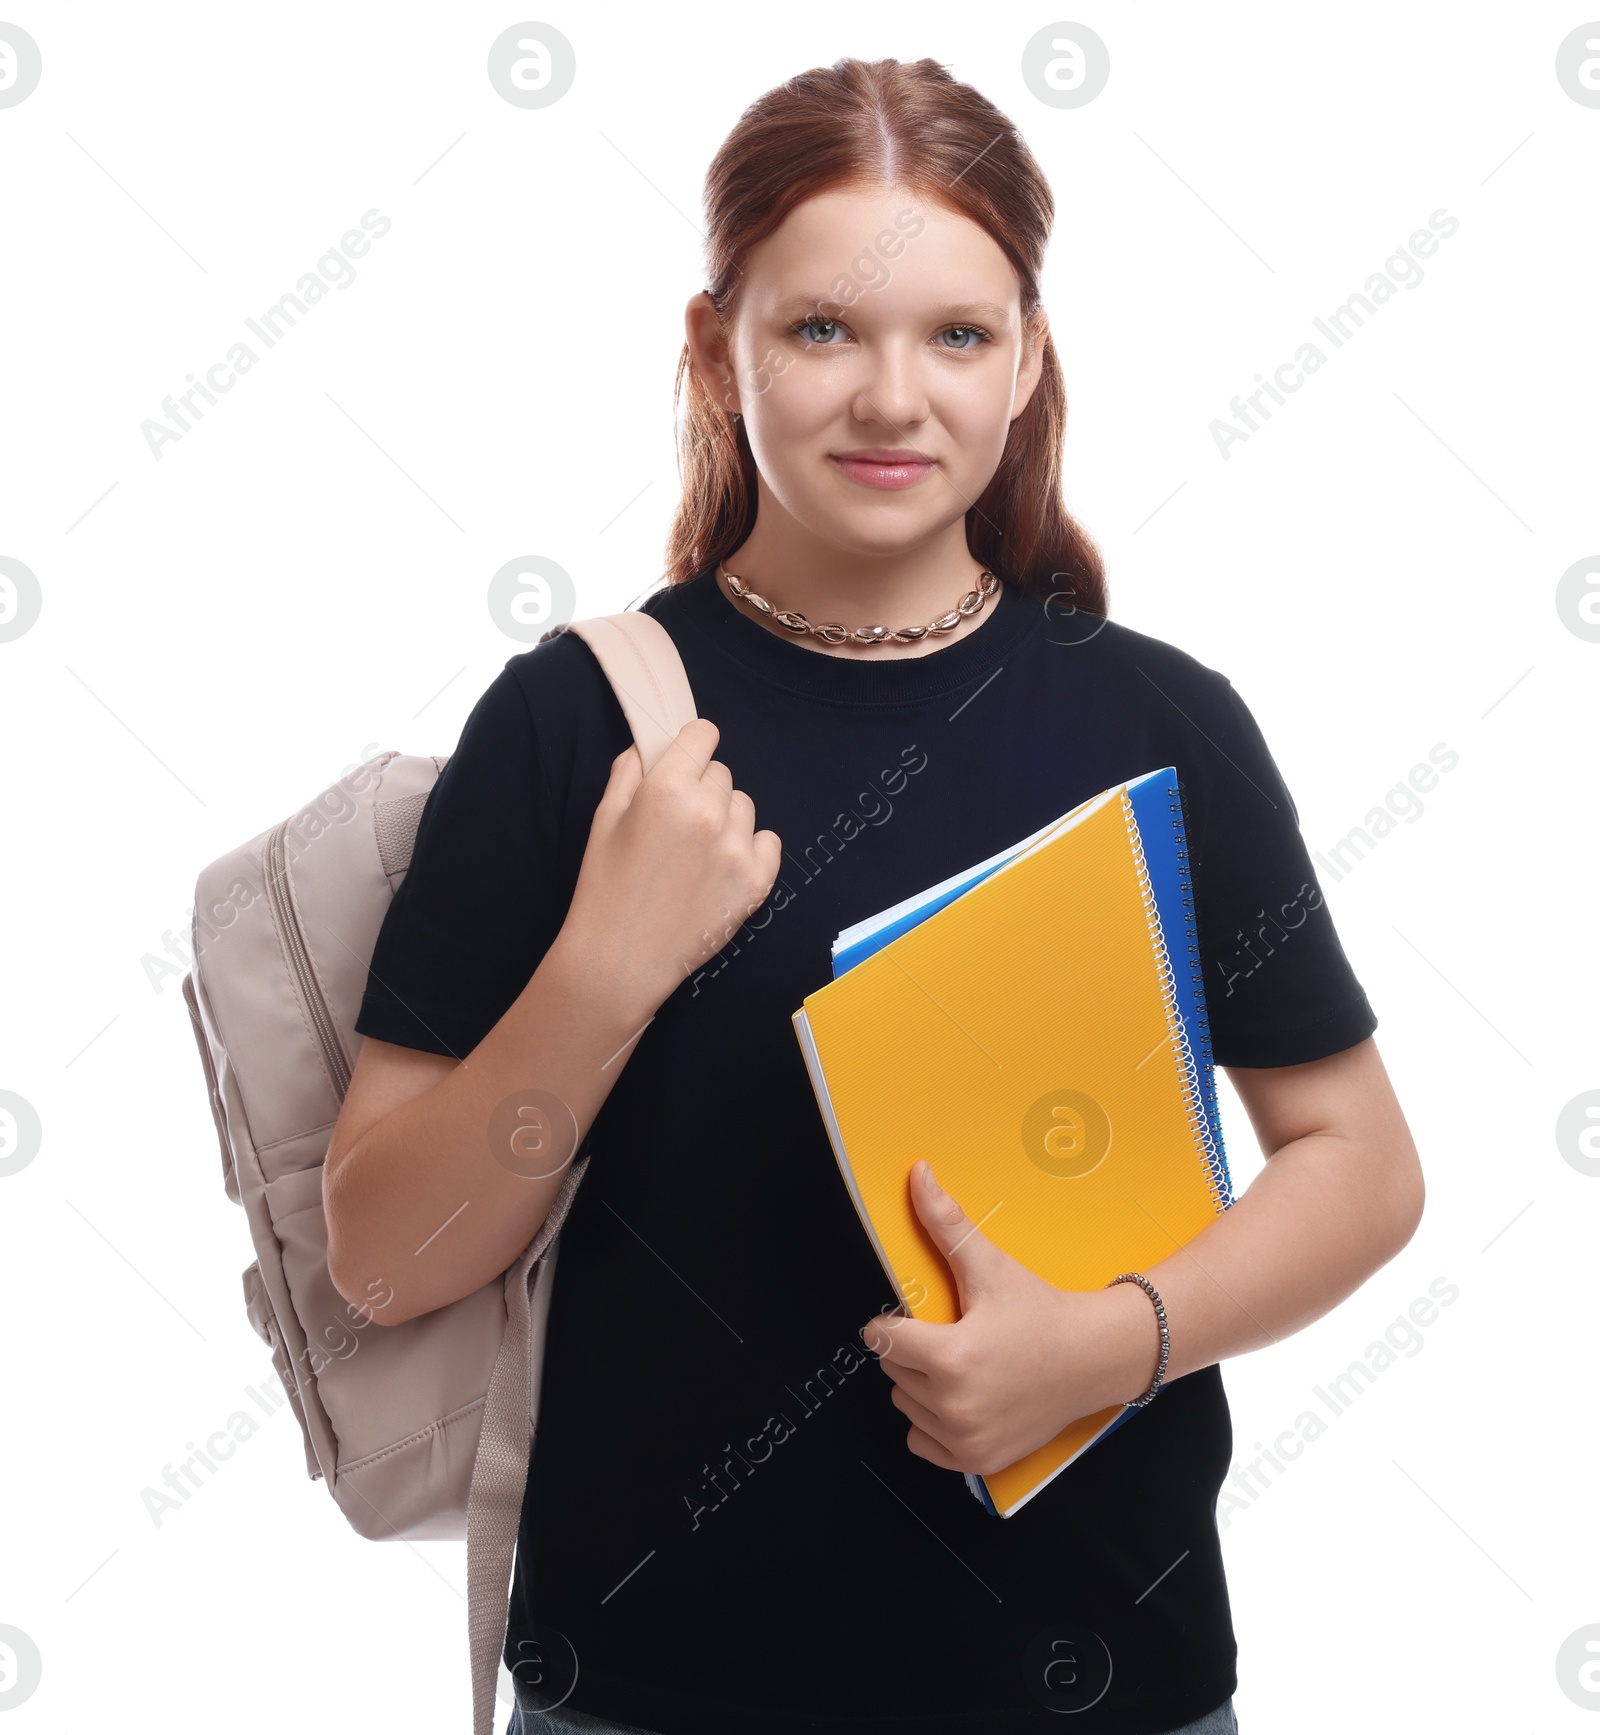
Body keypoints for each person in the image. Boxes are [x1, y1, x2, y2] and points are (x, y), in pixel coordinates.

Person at [323, 55, 1423, 1735]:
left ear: (1030, 357)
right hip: (648, 1692)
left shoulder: (1158, 721)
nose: (892, 398)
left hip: (1105, 1687)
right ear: (717, 349)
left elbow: (1361, 1164)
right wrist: (606, 969)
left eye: (958, 335)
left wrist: (1114, 1344)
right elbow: (388, 1261)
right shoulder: (576, 725)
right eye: (822, 329)